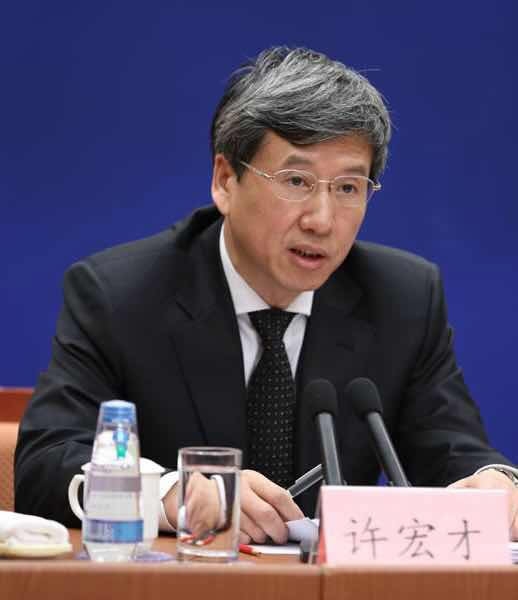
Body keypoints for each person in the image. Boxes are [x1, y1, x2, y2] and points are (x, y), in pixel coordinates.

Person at [15, 46, 518, 544]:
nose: (322, 220)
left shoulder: (403, 299)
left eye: (348, 188)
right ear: (225, 181)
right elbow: (45, 467)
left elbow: (456, 452)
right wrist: (175, 494)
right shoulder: (120, 295)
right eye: (296, 181)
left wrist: (497, 482)